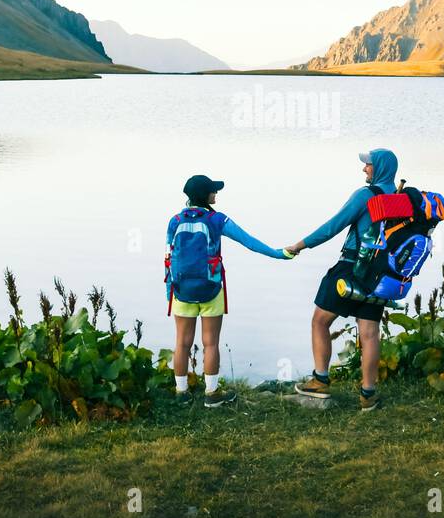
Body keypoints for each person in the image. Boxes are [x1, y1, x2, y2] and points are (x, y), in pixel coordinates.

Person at [166, 174, 294, 408]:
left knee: (182, 343)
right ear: (205, 195)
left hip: (182, 290)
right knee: (210, 343)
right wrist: (279, 254)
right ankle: (212, 394)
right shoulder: (217, 220)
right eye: (213, 190)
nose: (216, 193)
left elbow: (168, 257)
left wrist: (170, 291)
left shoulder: (174, 221)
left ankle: (181, 393)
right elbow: (249, 241)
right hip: (211, 289)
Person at [286, 148, 397, 411]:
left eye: (368, 165)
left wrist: (300, 245)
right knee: (369, 333)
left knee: (320, 321)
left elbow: (333, 226)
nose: (364, 168)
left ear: (379, 168)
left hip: (350, 269)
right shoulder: (400, 198)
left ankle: (320, 380)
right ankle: (368, 395)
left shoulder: (366, 195)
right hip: (379, 275)